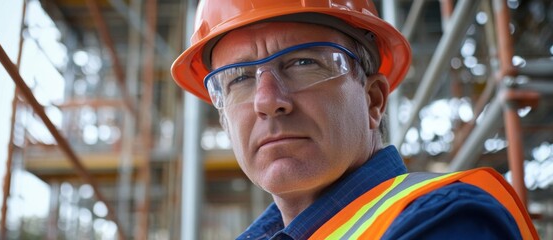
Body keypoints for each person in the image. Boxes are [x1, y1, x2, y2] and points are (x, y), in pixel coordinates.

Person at [171, 0, 538, 239]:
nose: (267, 101)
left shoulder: (445, 222)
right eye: (239, 78)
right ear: (223, 119)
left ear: (373, 99)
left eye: (302, 63)